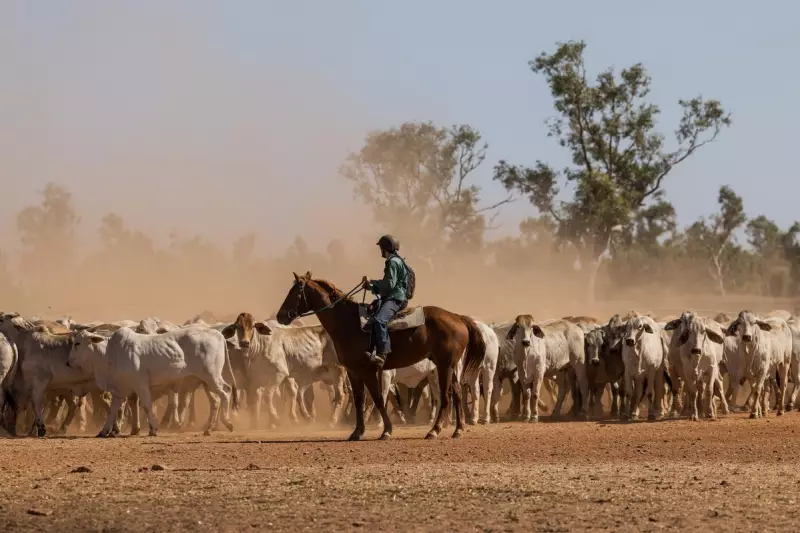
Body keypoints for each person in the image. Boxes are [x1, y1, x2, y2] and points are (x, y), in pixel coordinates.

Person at [362, 234, 409, 367]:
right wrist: (371, 286)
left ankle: (382, 352)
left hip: (395, 298)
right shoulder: (394, 261)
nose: (380, 251)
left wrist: (372, 282)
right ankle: (371, 349)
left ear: (385, 248)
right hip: (392, 296)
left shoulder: (393, 262)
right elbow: (387, 285)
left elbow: (389, 284)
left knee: (379, 320)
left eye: (381, 248)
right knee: (371, 316)